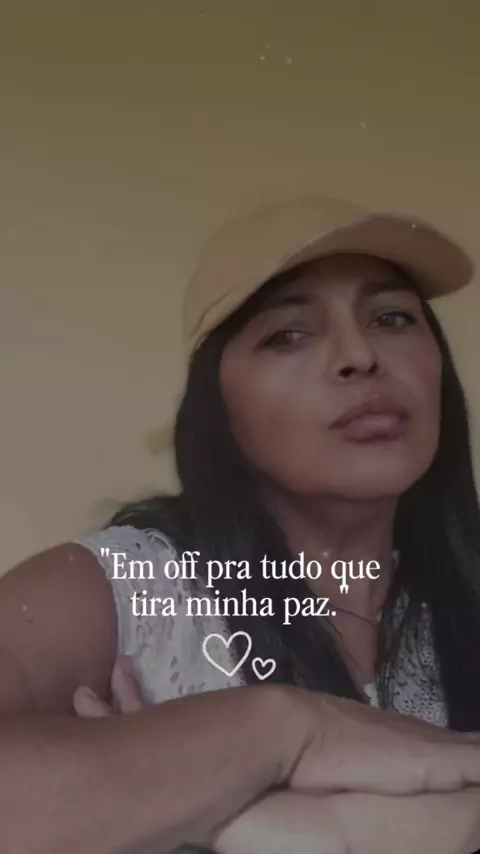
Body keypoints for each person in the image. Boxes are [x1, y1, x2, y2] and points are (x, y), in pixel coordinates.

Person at [2, 195, 480, 854]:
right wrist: (284, 731)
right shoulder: (122, 588)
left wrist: (244, 817)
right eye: (287, 334)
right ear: (216, 406)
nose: (360, 355)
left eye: (392, 318)